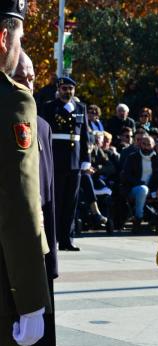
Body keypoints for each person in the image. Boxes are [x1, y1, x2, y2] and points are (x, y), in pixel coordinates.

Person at [0, 2, 51, 346]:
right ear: (4, 38)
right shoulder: (12, 100)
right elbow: (20, 204)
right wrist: (32, 300)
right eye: (20, 38)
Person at [38, 75, 91, 251]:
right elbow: (44, 134)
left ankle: (67, 239)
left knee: (71, 202)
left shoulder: (80, 108)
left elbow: (84, 135)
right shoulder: (49, 107)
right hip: (56, 160)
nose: (68, 92)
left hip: (75, 162)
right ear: (58, 90)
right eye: (64, 89)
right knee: (56, 202)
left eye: (70, 89)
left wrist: (86, 158)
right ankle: (53, 238)